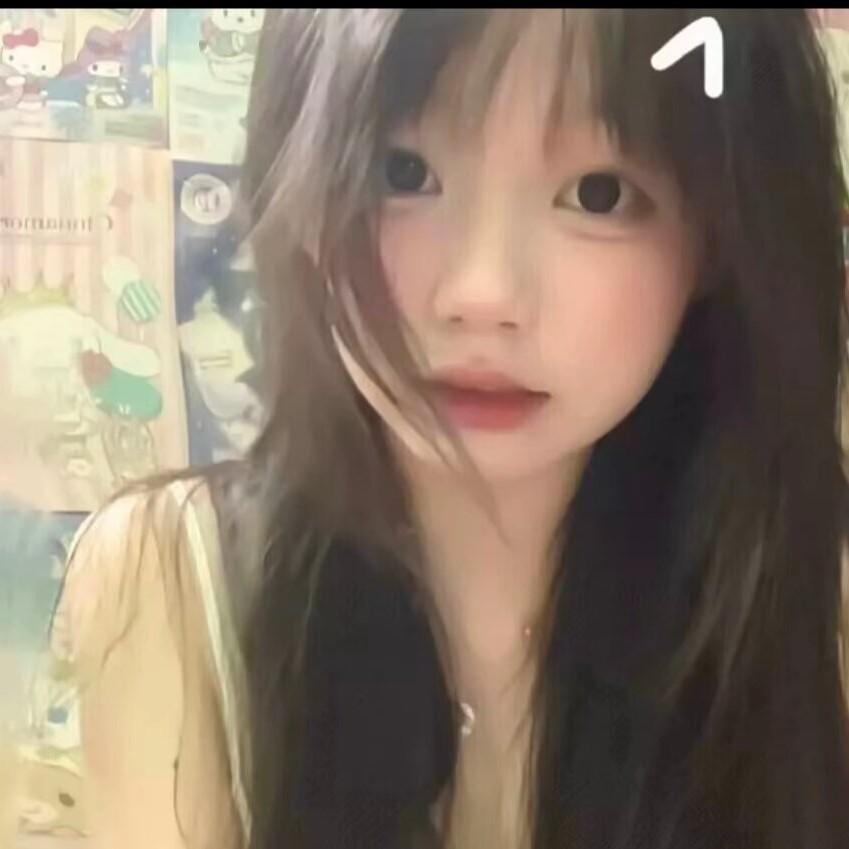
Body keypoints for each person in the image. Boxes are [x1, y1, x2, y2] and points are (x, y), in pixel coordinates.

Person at [49, 9, 849, 849]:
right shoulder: (173, 579)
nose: (481, 293)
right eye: (402, 173)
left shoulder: (810, 591)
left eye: (598, 193)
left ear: (718, 240)